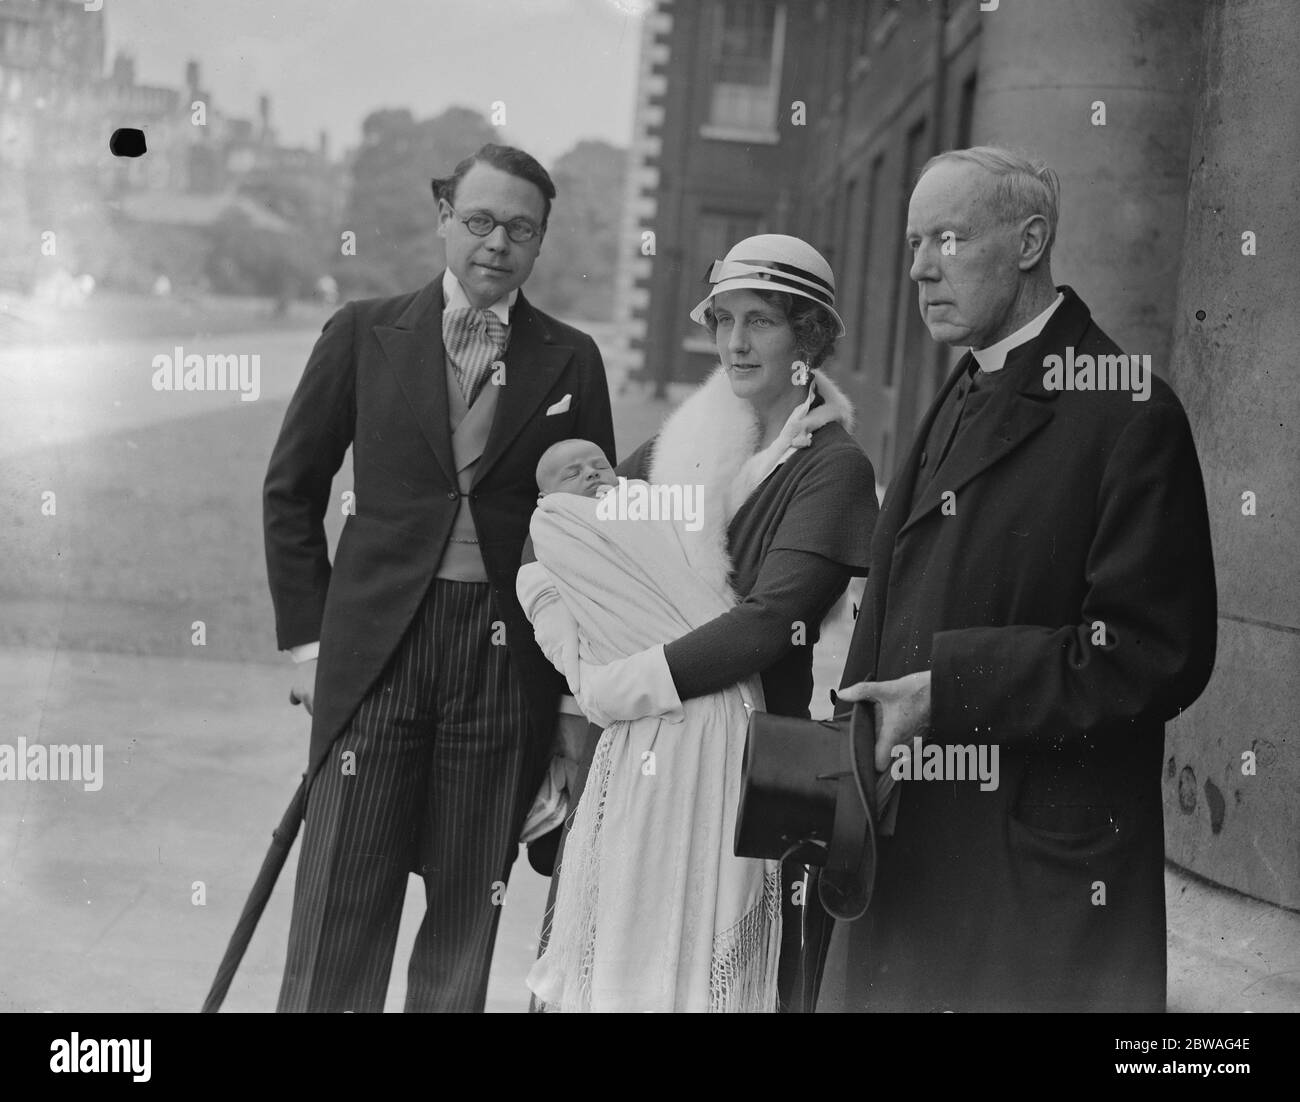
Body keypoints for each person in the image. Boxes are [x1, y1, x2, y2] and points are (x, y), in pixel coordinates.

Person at [822, 146, 1218, 1012]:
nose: (922, 268)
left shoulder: (1129, 411)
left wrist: (947, 691)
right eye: (916, 241)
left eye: (951, 240)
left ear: (1031, 242)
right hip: (910, 859)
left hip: (1031, 887)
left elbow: (1155, 656)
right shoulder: (964, 387)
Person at [262, 142, 615, 1012]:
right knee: (342, 897)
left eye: (521, 229)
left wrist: (572, 708)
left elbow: (593, 544)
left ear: (540, 244)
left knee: (467, 913)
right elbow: (291, 491)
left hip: (504, 666)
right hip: (376, 652)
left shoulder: (572, 359)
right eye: (481, 220)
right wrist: (310, 649)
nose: (498, 242)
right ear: (445, 218)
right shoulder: (361, 331)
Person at [526, 235, 879, 1012]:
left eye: (761, 321)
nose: (734, 342)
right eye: (723, 319)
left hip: (745, 768)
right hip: (638, 758)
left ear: (810, 336)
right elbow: (571, 533)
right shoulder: (679, 448)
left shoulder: (831, 468)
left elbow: (770, 621)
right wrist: (576, 664)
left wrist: (625, 680)